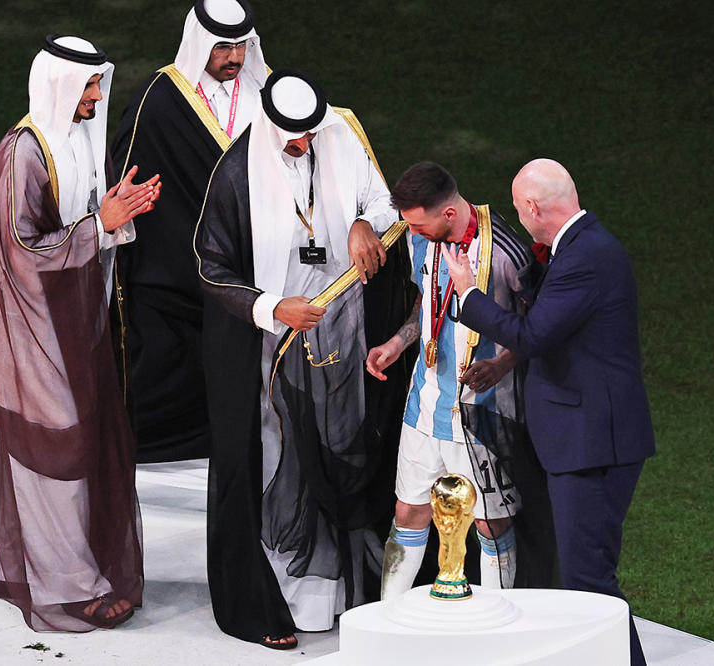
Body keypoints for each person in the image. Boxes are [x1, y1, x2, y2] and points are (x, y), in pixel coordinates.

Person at [195, 69, 415, 649]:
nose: (304, 145)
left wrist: (368, 221)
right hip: (275, 345)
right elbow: (211, 269)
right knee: (281, 462)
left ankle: (340, 594)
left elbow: (381, 197)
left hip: (343, 327)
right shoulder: (237, 171)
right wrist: (273, 306)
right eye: (293, 138)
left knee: (343, 450)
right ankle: (284, 597)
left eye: (310, 134)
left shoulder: (338, 131)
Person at [0, 35, 161, 632]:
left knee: (88, 441)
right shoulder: (21, 154)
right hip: (33, 329)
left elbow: (91, 223)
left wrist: (116, 214)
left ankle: (79, 570)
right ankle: (70, 586)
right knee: (57, 447)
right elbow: (21, 249)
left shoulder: (80, 140)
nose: (96, 97)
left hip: (81, 321)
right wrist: (99, 225)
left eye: (99, 85)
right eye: (87, 87)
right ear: (58, 86)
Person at [442, 158, 655, 665]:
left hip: (591, 443)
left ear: (534, 208)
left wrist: (469, 290)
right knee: (586, 578)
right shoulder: (584, 247)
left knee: (588, 581)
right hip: (589, 436)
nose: (520, 216)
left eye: (520, 209)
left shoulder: (585, 257)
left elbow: (532, 335)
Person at [366, 161, 555, 599]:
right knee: (409, 512)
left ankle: (496, 621)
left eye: (418, 223)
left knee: (491, 522)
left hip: (485, 412)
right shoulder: (421, 241)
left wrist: (502, 364)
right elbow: (424, 299)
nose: (411, 233)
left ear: (448, 214)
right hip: (425, 403)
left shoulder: (507, 254)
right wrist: (399, 341)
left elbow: (540, 329)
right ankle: (387, 615)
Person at [109, 0, 269, 462]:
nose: (234, 57)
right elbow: (132, 180)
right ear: (200, 44)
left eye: (242, 46)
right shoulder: (158, 100)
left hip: (254, 268)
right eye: (222, 47)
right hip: (176, 267)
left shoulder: (266, 96)